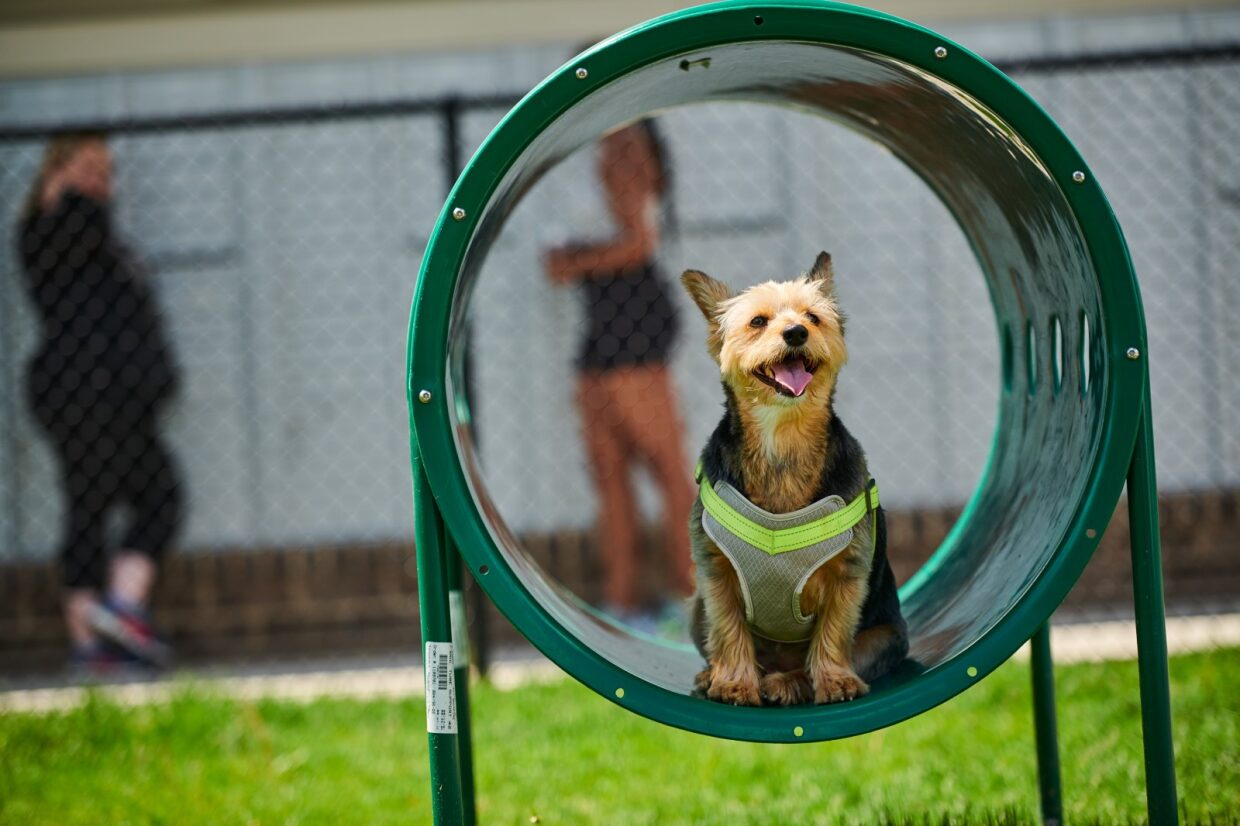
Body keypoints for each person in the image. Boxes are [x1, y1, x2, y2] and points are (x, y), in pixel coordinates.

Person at [16, 132, 182, 674]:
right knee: (95, 507)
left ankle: (114, 617)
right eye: (87, 166)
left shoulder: (97, 231)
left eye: (106, 170)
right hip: (81, 395)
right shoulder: (51, 227)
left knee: (153, 497)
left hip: (120, 397)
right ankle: (96, 634)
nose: (100, 180)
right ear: (56, 170)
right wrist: (63, 194)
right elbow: (75, 239)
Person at [545, 119, 695, 631]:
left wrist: (575, 262)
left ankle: (696, 598)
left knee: (667, 470)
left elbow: (639, 241)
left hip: (633, 324)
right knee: (609, 475)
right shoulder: (590, 144)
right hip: (602, 329)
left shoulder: (626, 138)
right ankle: (622, 604)